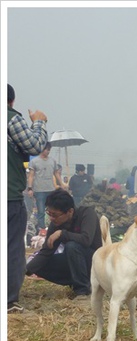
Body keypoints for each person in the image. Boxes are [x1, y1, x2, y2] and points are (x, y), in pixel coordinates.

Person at [7, 83, 48, 313]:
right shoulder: (11, 118)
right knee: (13, 248)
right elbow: (34, 145)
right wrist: (39, 122)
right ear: (11, 101)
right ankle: (9, 301)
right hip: (9, 198)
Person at [25, 189, 102, 300]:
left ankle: (83, 291)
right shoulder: (55, 224)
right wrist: (25, 270)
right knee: (39, 264)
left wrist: (62, 233)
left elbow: (86, 240)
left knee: (72, 246)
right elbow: (46, 252)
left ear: (70, 211)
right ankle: (75, 281)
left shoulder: (86, 214)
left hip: (93, 262)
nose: (51, 218)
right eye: (49, 214)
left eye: (55, 215)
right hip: (72, 262)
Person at [27, 142, 61, 230]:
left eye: (49, 150)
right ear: (42, 149)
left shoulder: (53, 161)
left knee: (53, 210)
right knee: (41, 211)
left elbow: (56, 173)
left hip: (51, 189)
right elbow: (31, 175)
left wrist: (62, 184)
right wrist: (30, 188)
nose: (48, 152)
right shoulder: (34, 161)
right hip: (39, 190)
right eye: (46, 149)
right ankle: (41, 229)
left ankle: (52, 227)